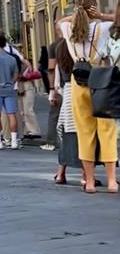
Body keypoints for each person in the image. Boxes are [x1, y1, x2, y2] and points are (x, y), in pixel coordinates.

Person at [57, 0, 117, 193]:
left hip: (79, 81)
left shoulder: (68, 27)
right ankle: (111, 182)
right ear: (94, 7)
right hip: (101, 79)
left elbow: (60, 21)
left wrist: (78, 13)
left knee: (85, 131)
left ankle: (89, 182)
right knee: (107, 131)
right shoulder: (103, 27)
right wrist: (100, 15)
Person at [52, 38, 79, 185]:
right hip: (81, 90)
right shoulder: (79, 51)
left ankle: (60, 173)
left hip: (67, 93)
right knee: (84, 135)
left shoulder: (60, 53)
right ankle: (86, 175)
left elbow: (57, 84)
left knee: (67, 134)